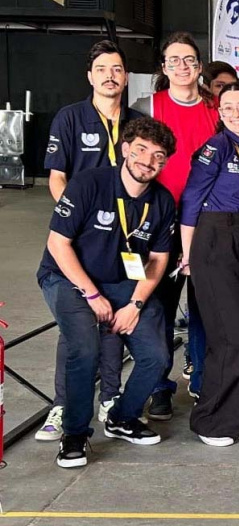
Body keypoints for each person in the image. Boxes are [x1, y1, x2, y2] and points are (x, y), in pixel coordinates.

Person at [38, 117, 177, 468]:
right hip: (68, 277)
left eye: (158, 156)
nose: (148, 161)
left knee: (156, 355)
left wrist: (136, 302)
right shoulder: (88, 183)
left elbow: (159, 259)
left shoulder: (161, 201)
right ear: (126, 149)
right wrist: (91, 295)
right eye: (142, 149)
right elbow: (58, 243)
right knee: (85, 349)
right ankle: (74, 433)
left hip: (123, 283)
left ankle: (123, 417)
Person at [37, 40, 143, 441]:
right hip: (80, 237)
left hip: (124, 241)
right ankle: (63, 406)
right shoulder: (70, 118)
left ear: (126, 76)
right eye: (102, 69)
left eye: (116, 69)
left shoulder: (136, 122)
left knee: (114, 322)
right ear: (90, 76)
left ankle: (111, 399)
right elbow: (57, 177)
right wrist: (73, 219)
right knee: (76, 326)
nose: (110, 76)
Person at [132, 31, 220, 418]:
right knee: (160, 311)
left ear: (199, 67)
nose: (182, 67)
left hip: (205, 225)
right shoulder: (146, 106)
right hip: (160, 227)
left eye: (189, 60)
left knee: (205, 310)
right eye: (174, 60)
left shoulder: (217, 109)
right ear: (163, 67)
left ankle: (202, 382)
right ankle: (160, 386)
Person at [179, 83, 239, 446]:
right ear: (219, 113)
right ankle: (210, 422)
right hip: (213, 238)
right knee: (232, 337)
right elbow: (191, 200)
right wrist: (188, 255)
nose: (236, 113)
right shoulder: (214, 148)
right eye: (228, 107)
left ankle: (231, 416)